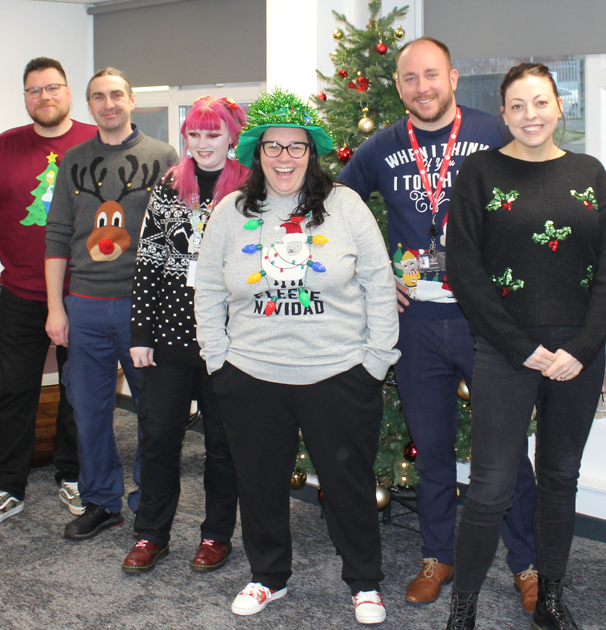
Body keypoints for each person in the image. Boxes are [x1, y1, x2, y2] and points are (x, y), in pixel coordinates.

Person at [338, 36, 541, 610]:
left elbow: (535, 204)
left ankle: (526, 564)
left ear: (453, 77)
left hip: (488, 320)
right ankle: (437, 556)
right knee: (430, 449)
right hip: (418, 323)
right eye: (410, 79)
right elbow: (336, 210)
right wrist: (373, 280)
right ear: (398, 86)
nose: (422, 87)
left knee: (505, 450)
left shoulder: (494, 132)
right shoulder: (382, 145)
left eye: (432, 75)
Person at [194, 89, 400, 625]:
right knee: (259, 482)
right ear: (256, 155)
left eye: (296, 148)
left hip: (338, 373)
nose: (284, 158)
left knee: (349, 484)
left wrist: (376, 361)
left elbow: (380, 284)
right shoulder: (230, 212)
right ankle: (268, 577)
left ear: (312, 154)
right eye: (273, 148)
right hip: (251, 373)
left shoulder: (346, 206)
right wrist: (218, 359)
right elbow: (209, 290)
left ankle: (364, 582)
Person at [446, 63, 606, 630]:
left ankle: (549, 598)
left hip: (578, 353)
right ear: (504, 113)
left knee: (559, 479)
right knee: (491, 486)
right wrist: (522, 347)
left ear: (559, 107)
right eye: (518, 105)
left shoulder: (590, 173)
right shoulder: (479, 172)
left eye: (541, 103)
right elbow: (466, 271)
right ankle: (465, 605)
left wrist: (583, 347)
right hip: (505, 351)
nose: (530, 115)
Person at [44, 67, 179, 540]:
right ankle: (102, 501)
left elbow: (177, 240)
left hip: (143, 308)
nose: (109, 104)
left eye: (116, 95)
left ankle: (149, 504)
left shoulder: (164, 158)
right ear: (90, 105)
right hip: (83, 306)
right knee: (89, 408)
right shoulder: (73, 160)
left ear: (132, 99)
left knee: (153, 411)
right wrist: (55, 308)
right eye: (98, 97)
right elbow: (58, 235)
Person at [0, 57, 95, 527]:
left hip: (85, 294)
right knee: (15, 394)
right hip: (18, 292)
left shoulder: (93, 142)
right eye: (34, 90)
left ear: (68, 92)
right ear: (24, 97)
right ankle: (6, 487)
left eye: (52, 87)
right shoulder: (0, 149)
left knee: (79, 392)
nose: (44, 96)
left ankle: (75, 476)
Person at [121, 96, 248, 573]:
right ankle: (151, 534)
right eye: (194, 134)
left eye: (212, 134)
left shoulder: (250, 192)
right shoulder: (171, 185)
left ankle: (216, 536)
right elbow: (149, 263)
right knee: (158, 441)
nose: (202, 144)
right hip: (169, 337)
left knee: (223, 446)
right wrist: (141, 333)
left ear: (231, 137)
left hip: (229, 343)